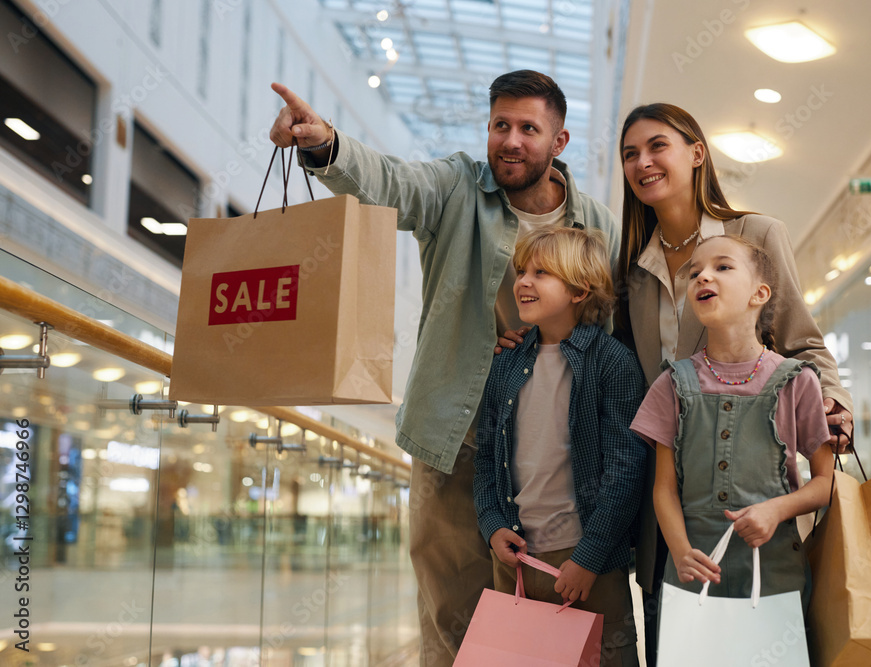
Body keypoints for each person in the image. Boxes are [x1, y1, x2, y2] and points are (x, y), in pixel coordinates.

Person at [268, 70, 620, 666]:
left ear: (558, 143)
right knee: (451, 610)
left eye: (528, 129)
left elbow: (608, 330)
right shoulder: (458, 186)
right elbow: (391, 183)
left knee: (548, 616)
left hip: (551, 446)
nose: (510, 140)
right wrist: (324, 144)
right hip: (454, 436)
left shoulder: (597, 224)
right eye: (500, 125)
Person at [616, 103, 852, 664]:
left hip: (760, 510)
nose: (643, 162)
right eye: (630, 154)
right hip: (671, 494)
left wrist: (832, 406)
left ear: (697, 153)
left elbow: (804, 342)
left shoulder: (755, 235)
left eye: (657, 146)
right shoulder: (632, 266)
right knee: (680, 642)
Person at [630, 234, 834, 606]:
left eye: (722, 267)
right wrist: (679, 551)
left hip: (775, 576)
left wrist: (776, 509)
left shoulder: (797, 380)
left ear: (759, 294)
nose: (703, 277)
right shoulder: (671, 382)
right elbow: (664, 488)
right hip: (692, 573)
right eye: (694, 274)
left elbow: (826, 482)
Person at [474, 227, 646, 666]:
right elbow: (486, 459)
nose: (523, 282)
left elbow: (626, 469)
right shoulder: (505, 363)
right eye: (522, 271)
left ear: (579, 289)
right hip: (516, 561)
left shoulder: (614, 363)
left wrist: (588, 557)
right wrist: (492, 524)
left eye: (542, 273)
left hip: (589, 563)